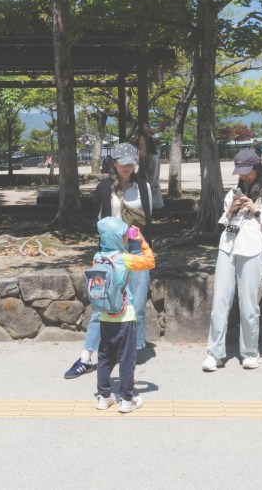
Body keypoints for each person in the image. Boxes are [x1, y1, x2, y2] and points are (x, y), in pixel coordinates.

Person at [64, 142, 154, 378]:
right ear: (114, 163)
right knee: (102, 303)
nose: (126, 167)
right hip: (111, 252)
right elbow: (100, 220)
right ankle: (86, 357)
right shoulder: (104, 188)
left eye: (130, 163)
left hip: (136, 247)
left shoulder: (143, 187)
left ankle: (132, 350)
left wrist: (143, 243)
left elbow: (148, 219)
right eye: (122, 163)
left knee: (137, 302)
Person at [203, 148, 262, 372]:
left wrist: (257, 210)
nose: (243, 176)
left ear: (257, 168)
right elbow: (224, 221)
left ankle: (250, 352)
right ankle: (214, 353)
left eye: (247, 171)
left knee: (249, 304)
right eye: (240, 172)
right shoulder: (233, 192)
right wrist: (231, 210)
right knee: (219, 301)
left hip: (253, 249)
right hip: (227, 247)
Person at [90, 217, 156, 413]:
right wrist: (142, 241)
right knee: (126, 360)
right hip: (125, 316)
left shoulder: (97, 258)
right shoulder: (124, 259)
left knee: (104, 357)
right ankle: (126, 399)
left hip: (105, 316)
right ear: (116, 239)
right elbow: (150, 262)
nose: (127, 238)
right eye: (123, 235)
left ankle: (103, 396)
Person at [132, 122, 164, 211]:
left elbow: (152, 177)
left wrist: (142, 186)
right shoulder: (145, 157)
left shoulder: (153, 158)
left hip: (151, 189)